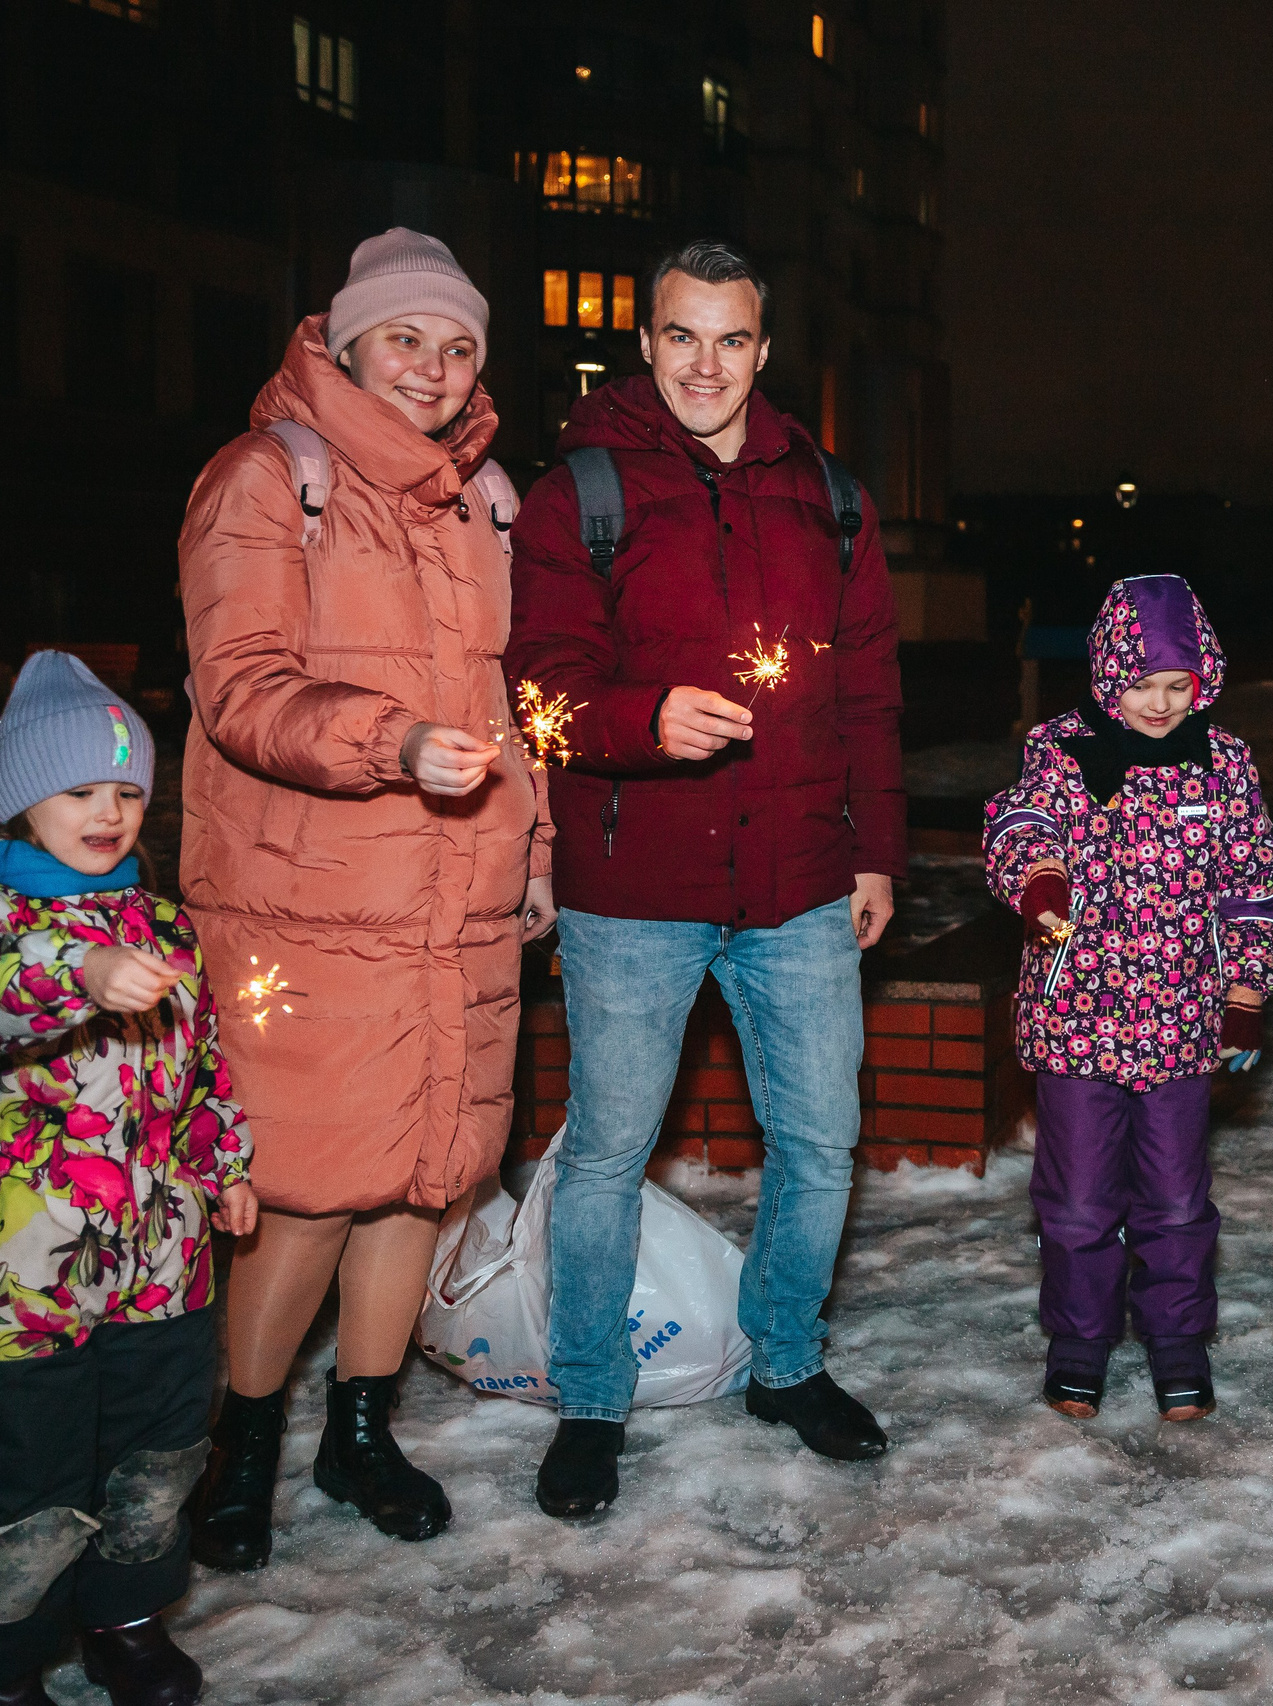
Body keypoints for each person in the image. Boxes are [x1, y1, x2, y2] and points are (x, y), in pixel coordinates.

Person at [504, 239, 905, 1517]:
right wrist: (635, 721)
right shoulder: (583, 491)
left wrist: (879, 849)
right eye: (682, 335)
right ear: (645, 340)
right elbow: (538, 696)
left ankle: (785, 1361)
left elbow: (872, 698)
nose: (705, 364)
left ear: (766, 351)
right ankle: (588, 1396)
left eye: (731, 340)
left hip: (797, 882)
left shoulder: (830, 495)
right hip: (634, 889)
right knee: (608, 1150)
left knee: (821, 1143)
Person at [176, 229, 553, 1566]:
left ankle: (360, 1431)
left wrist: (537, 845)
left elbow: (509, 707)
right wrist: (386, 740)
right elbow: (240, 689)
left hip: (458, 910)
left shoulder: (484, 501)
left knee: (421, 1184)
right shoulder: (268, 481)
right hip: (310, 912)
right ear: (345, 341)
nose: (437, 371)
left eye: (460, 348)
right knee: (307, 1193)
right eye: (409, 339)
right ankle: (241, 1442)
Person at [0, 651, 254, 1706]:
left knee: (154, 1456)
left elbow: (201, 1056)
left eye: (129, 792)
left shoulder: (159, 919)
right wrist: (74, 972)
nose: (109, 813)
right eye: (81, 790)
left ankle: (121, 1617)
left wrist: (223, 1162)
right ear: (20, 798)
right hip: (13, 1269)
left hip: (160, 1257)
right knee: (19, 1478)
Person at [982, 575, 1273, 1422]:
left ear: (1204, 680)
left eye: (1177, 686)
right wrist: (1037, 877)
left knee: (1178, 1201)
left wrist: (1247, 990)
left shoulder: (1223, 765)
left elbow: (1251, 882)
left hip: (1182, 1023)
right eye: (1142, 684)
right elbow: (1017, 822)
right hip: (1077, 1019)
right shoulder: (1063, 748)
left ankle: (1178, 1342)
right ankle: (1079, 1342)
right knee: (1078, 1198)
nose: (1159, 703)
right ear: (1109, 674)